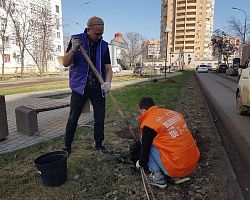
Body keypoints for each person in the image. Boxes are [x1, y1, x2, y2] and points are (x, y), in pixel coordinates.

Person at [62, 16, 113, 154]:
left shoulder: (104, 46)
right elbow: (65, 63)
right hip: (80, 87)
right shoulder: (76, 40)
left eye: (102, 33)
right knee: (73, 117)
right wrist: (73, 49)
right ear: (89, 29)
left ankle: (99, 144)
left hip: (98, 88)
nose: (100, 36)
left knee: (100, 118)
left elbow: (108, 68)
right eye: (97, 33)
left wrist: (108, 82)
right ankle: (67, 146)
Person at [135, 97, 200, 188]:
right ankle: (176, 175)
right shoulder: (173, 114)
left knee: (146, 141)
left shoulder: (149, 124)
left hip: (177, 167)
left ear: (143, 110)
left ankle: (158, 178)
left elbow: (145, 149)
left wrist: (141, 163)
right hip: (193, 162)